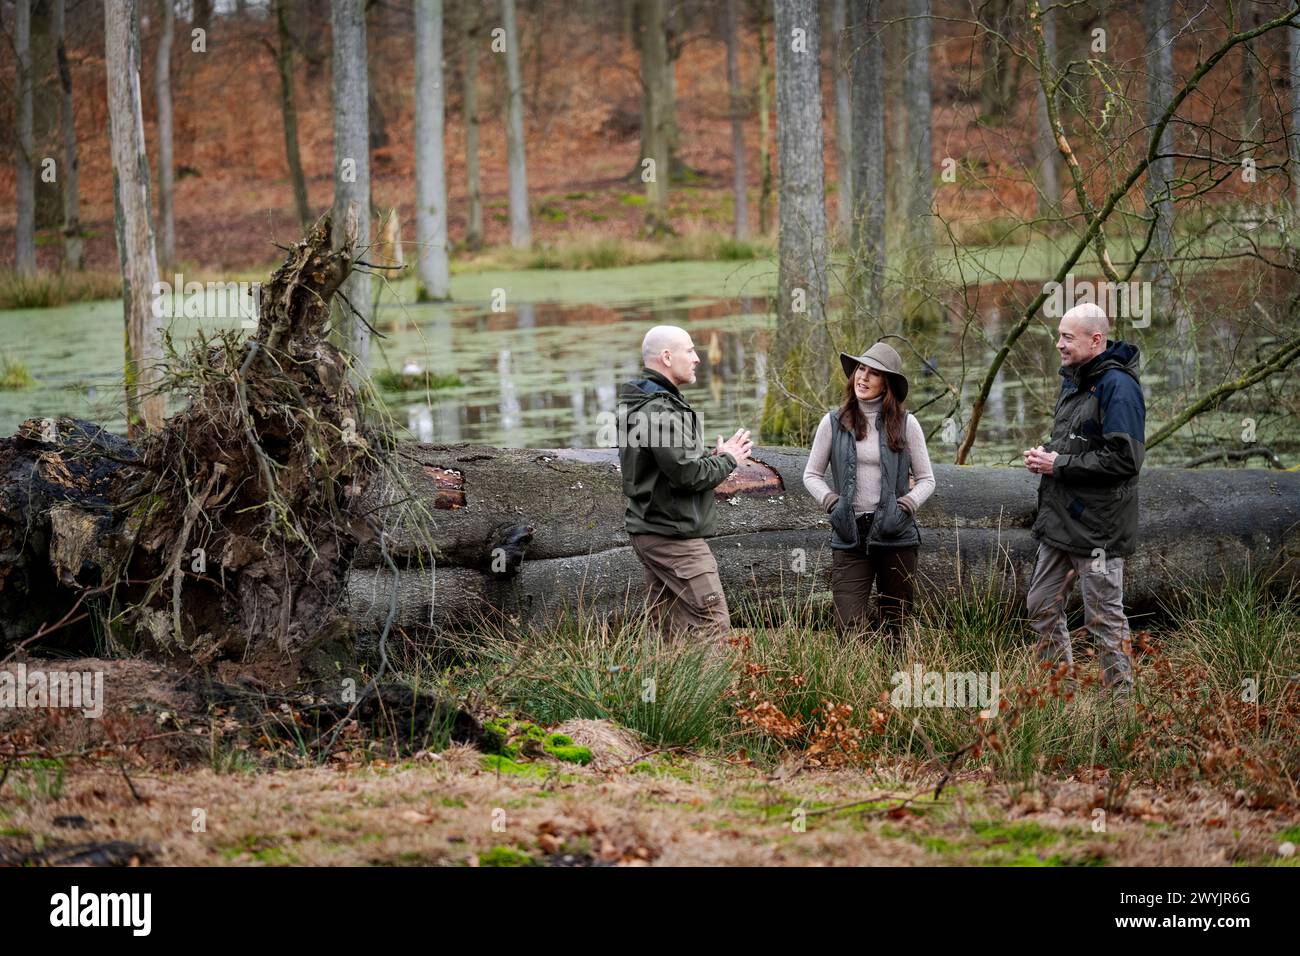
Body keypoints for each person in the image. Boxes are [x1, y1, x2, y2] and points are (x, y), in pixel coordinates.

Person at [1023, 302, 1145, 696]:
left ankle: (1120, 707)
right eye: (1059, 335)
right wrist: (1046, 456)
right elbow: (1076, 443)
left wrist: (1059, 463)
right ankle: (1060, 695)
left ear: (1096, 340)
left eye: (1066, 337)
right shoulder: (1075, 379)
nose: (1058, 344)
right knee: (1041, 605)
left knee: (1104, 620)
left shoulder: (1119, 387)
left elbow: (1126, 458)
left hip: (1098, 528)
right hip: (1060, 522)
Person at [617, 325, 752, 647]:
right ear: (666, 356)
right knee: (711, 619)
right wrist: (729, 460)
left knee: (670, 631)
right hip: (672, 535)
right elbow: (687, 474)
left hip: (654, 529)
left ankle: (670, 696)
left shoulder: (650, 402)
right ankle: (717, 696)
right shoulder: (657, 408)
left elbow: (670, 465)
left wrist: (714, 456)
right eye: (690, 351)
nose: (697, 359)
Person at [803, 342, 935, 635]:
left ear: (886, 383)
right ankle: (856, 679)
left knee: (895, 627)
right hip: (849, 535)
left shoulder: (906, 423)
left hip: (896, 536)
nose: (863, 377)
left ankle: (888, 678)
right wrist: (832, 503)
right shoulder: (832, 422)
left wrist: (905, 506)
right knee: (848, 626)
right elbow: (811, 474)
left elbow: (927, 479)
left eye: (874, 373)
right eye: (861, 369)